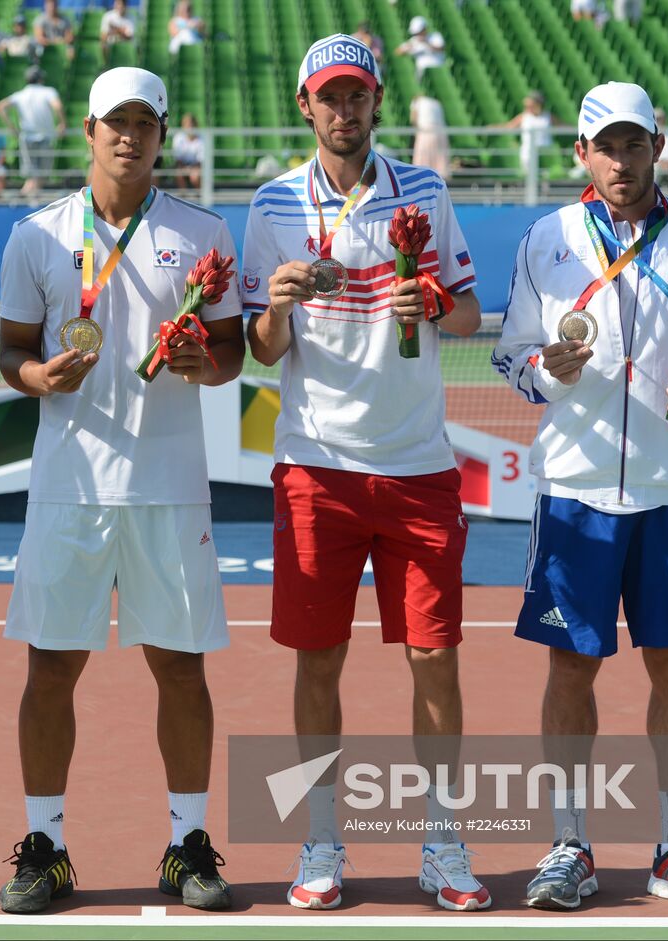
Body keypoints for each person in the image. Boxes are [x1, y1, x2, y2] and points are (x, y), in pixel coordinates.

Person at [491, 81, 668, 914]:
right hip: (574, 489)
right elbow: (508, 355)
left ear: (659, 146)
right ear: (580, 153)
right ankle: (568, 844)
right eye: (604, 145)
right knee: (571, 666)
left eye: (634, 143)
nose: (620, 159)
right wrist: (545, 370)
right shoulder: (547, 239)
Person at [243, 34, 488, 913]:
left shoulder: (423, 190)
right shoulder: (273, 203)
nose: (345, 111)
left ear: (377, 102)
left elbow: (466, 315)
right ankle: (320, 838)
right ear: (305, 106)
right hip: (315, 465)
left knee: (435, 658)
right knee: (319, 659)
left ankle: (443, 841)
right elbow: (260, 349)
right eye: (329, 97)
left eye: (358, 96)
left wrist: (433, 303)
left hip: (419, 463)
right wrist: (277, 300)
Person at [0, 66, 245, 915]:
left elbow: (232, 353)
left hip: (168, 486)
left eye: (145, 122)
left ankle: (186, 842)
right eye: (114, 122)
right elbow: (11, 352)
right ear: (89, 130)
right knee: (51, 666)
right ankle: (46, 845)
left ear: (163, 133)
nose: (128, 136)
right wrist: (38, 374)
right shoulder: (36, 234)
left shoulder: (203, 232)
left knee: (180, 669)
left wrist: (201, 363)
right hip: (68, 485)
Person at [0, 66, 66, 196]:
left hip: (27, 137)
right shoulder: (48, 92)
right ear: (41, 79)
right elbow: (58, 106)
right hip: (46, 136)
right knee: (41, 173)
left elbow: (1, 107)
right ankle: (27, 196)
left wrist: (12, 127)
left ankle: (25, 195)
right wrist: (62, 124)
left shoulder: (20, 95)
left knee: (33, 174)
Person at [502, 90, 553, 182]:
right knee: (530, 177)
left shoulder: (548, 116)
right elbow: (509, 127)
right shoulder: (524, 116)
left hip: (545, 153)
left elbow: (565, 126)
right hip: (528, 154)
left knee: (544, 176)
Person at [411, 93, 451, 180]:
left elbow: (413, 118)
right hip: (440, 132)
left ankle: (422, 177)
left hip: (425, 131)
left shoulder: (417, 102)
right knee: (440, 159)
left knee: (423, 156)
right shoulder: (436, 103)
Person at [171, 111, 204, 189]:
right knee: (179, 173)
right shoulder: (178, 137)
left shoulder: (202, 138)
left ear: (196, 125)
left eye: (191, 124)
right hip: (182, 165)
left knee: (195, 176)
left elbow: (201, 161)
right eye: (187, 124)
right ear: (183, 126)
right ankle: (183, 197)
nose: (190, 127)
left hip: (196, 166)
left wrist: (192, 169)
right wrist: (184, 168)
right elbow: (178, 159)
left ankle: (199, 197)